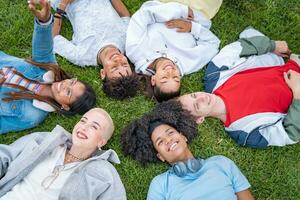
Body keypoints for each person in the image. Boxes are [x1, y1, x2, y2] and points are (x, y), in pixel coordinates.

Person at [175, 27, 300, 148]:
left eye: (194, 95)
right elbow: (290, 134)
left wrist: (271, 45)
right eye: (197, 105)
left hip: (295, 65)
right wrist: (297, 93)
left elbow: (237, 49)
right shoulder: (245, 133)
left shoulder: (214, 76)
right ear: (199, 119)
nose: (202, 97)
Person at [121, 101, 254, 200]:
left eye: (170, 133)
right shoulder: (160, 184)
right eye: (160, 142)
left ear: (183, 137)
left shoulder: (221, 163)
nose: (168, 140)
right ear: (160, 156)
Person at [0, 0, 96, 134]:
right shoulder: (50, 70)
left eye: (68, 92)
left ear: (65, 107)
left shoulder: (32, 116)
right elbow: (44, 48)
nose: (64, 85)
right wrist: (44, 21)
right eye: (72, 82)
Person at [0, 107, 126, 199]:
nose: (84, 127)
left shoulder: (105, 173)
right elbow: (5, 155)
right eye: (83, 121)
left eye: (94, 126)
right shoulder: (45, 140)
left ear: (101, 142)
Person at [126, 1, 220, 102]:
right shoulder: (188, 63)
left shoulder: (135, 52)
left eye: (164, 78)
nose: (170, 70)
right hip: (198, 10)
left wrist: (180, 10)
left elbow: (142, 16)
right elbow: (213, 43)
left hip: (165, 2)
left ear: (153, 80)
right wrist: (192, 27)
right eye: (175, 77)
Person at [51, 0, 139, 100]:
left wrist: (62, 5)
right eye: (124, 64)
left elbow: (54, 38)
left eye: (114, 67)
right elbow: (125, 16)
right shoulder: (126, 40)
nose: (118, 60)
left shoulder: (82, 56)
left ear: (103, 73)